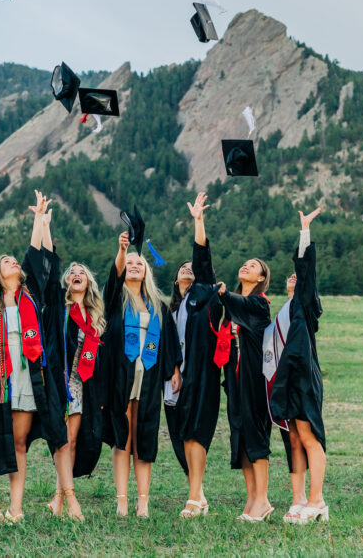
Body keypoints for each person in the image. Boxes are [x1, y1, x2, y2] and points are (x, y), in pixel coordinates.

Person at [0, 191, 69, 523]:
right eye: (5, 262)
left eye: (14, 261)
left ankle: (16, 507)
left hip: (27, 380)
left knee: (20, 444)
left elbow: (37, 257)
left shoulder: (29, 299)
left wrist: (40, 218)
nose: (13, 263)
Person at [102, 229, 182, 518]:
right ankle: (122, 500)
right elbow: (114, 277)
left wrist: (173, 368)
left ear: (147, 272)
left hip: (148, 374)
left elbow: (169, 340)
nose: (134, 266)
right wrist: (123, 251)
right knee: (122, 436)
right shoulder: (114, 301)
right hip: (121, 374)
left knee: (144, 435)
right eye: (130, 264)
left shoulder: (158, 306)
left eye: (140, 264)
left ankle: (143, 501)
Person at [164, 192, 224, 518]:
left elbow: (201, 259)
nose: (188, 269)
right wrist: (173, 369)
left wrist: (198, 221)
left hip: (202, 375)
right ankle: (198, 495)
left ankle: (193, 498)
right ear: (176, 279)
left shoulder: (205, 296)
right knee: (183, 435)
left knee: (197, 431)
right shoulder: (172, 308)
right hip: (178, 378)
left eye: (192, 267)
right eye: (182, 268)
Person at [270, 207, 328, 524]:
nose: (294, 278)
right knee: (293, 439)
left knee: (309, 437)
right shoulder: (284, 312)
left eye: (298, 278)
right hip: (286, 380)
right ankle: (298, 499)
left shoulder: (304, 308)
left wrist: (304, 231)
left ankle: (317, 501)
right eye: (290, 278)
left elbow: (306, 272)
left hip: (304, 377)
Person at [40, 246, 107, 521]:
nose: (77, 274)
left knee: (72, 441)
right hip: (62, 382)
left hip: (83, 385)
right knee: (62, 440)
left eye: (82, 273)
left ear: (89, 282)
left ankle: (57, 499)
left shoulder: (96, 317)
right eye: (72, 272)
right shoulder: (60, 309)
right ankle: (70, 498)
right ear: (67, 281)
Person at [216, 248, 273, 522]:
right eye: (244, 263)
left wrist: (225, 294)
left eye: (253, 266)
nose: (246, 266)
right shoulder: (234, 306)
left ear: (261, 277)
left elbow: (243, 306)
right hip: (236, 381)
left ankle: (263, 500)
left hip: (254, 380)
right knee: (240, 437)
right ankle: (251, 499)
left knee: (256, 435)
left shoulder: (259, 305)